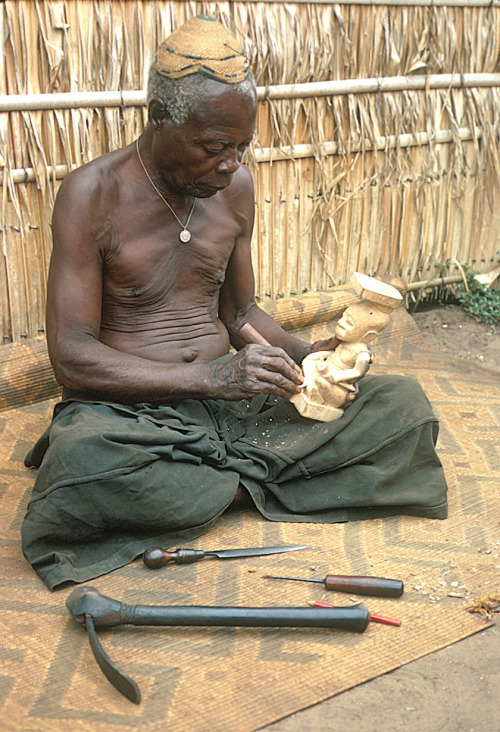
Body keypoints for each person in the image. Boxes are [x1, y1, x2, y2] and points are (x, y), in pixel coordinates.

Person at [21, 16, 448, 591]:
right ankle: (264, 478)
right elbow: (72, 358)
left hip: (233, 405)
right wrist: (212, 380)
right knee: (80, 463)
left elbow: (241, 316)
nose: (230, 163)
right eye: (213, 146)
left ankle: (207, 488)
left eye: (241, 146)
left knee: (404, 408)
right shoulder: (91, 195)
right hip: (131, 412)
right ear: (159, 120)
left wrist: (306, 355)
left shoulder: (235, 188)